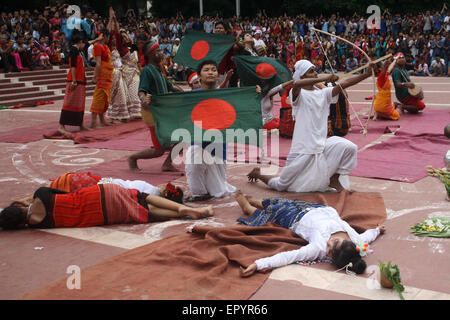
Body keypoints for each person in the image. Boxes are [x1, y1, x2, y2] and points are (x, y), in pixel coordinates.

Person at [247, 60, 375, 193]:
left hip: (320, 145)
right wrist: (326, 78)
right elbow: (296, 83)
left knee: (349, 148)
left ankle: (334, 179)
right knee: (282, 185)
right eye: (311, 71)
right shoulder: (297, 93)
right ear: (302, 75)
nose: (315, 73)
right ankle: (259, 174)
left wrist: (367, 73)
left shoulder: (323, 93)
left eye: (315, 70)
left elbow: (344, 84)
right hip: (302, 148)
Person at [235, 191, 386, 277]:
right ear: (350, 243)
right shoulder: (358, 241)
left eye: (328, 249)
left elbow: (289, 256)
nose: (328, 242)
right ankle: (260, 203)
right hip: (317, 208)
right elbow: (368, 236)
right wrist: (378, 230)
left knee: (274, 212)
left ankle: (249, 208)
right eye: (335, 242)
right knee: (280, 202)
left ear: (329, 256)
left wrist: (258, 264)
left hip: (294, 218)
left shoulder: (317, 249)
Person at [0, 183, 214, 230]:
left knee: (146, 213)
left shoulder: (40, 225)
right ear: (19, 205)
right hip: (98, 194)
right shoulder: (41, 194)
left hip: (101, 214)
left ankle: (181, 215)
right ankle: (181, 207)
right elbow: (67, 194)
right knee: (143, 197)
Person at [184, 60, 238, 200]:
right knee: (195, 160)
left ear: (218, 75)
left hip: (218, 149)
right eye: (206, 70)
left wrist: (253, 94)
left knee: (218, 190)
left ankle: (210, 188)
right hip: (198, 144)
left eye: (213, 69)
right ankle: (199, 194)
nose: (210, 72)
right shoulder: (191, 97)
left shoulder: (226, 96)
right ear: (200, 76)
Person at [127, 40, 184, 172]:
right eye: (157, 51)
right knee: (159, 150)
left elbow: (171, 87)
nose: (161, 53)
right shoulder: (147, 70)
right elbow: (142, 90)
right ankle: (132, 158)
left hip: (163, 114)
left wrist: (187, 94)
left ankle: (167, 164)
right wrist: (143, 99)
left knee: (183, 138)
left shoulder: (158, 71)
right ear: (150, 54)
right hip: (153, 114)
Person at [58, 33, 89, 135]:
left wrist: (97, 39)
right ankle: (61, 125)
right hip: (75, 80)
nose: (85, 46)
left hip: (80, 80)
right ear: (80, 42)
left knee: (79, 104)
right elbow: (73, 66)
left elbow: (88, 43)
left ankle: (80, 124)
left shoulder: (78, 50)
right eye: (83, 43)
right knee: (69, 102)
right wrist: (74, 81)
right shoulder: (73, 50)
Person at [90, 29, 114, 128]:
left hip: (107, 74)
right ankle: (93, 122)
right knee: (98, 97)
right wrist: (95, 76)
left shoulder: (105, 46)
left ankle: (102, 120)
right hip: (101, 75)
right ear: (104, 36)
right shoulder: (98, 47)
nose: (109, 39)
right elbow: (98, 63)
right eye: (108, 36)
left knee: (104, 98)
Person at [373, 56, 400, 121]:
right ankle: (379, 114)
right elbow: (385, 69)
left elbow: (389, 68)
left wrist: (395, 60)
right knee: (397, 115)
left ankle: (378, 113)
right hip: (382, 105)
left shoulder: (384, 76)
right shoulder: (381, 78)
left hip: (381, 102)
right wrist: (385, 65)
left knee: (392, 107)